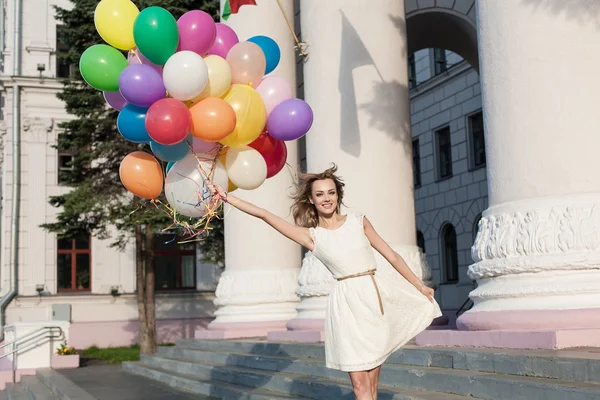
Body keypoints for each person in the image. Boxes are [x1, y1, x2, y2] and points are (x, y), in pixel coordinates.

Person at [207, 165, 442, 400]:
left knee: (371, 384)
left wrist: (418, 285)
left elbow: (392, 256)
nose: (326, 198)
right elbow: (265, 215)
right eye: (320, 194)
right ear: (311, 199)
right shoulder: (312, 236)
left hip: (373, 301)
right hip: (346, 307)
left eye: (331, 192)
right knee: (360, 385)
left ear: (338, 195)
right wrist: (227, 197)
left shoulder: (358, 221)